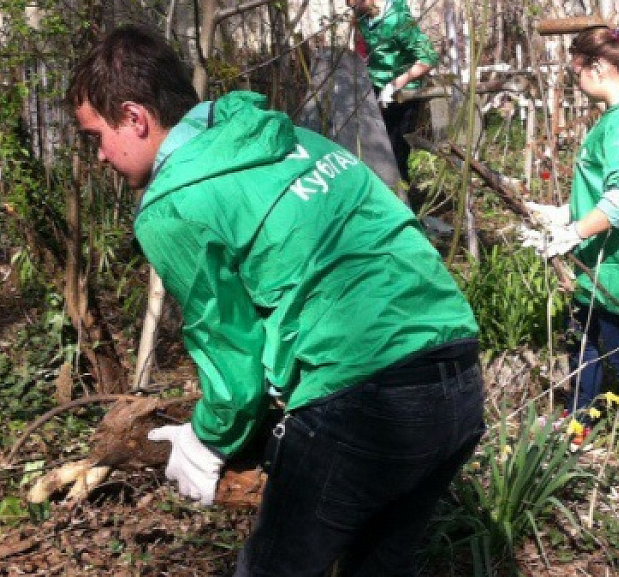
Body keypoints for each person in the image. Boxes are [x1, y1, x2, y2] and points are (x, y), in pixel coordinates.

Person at [66, 25, 484, 576]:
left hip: (365, 397)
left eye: (96, 135)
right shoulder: (284, 135)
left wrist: (207, 440)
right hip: (458, 375)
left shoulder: (172, 203)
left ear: (135, 117)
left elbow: (230, 356)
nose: (98, 156)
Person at [520, 26, 619, 483]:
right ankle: (579, 423)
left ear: (597, 67)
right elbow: (601, 192)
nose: (577, 84)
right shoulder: (618, 119)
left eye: (577, 74)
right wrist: (558, 216)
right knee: (583, 346)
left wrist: (571, 233)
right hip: (600, 261)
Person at [348, 0, 438, 199]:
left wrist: (396, 84)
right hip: (375, 89)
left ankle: (402, 203)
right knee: (373, 150)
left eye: (355, 4)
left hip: (402, 95)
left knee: (395, 152)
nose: (352, 8)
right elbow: (363, 48)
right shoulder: (362, 15)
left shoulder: (398, 19)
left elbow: (428, 59)